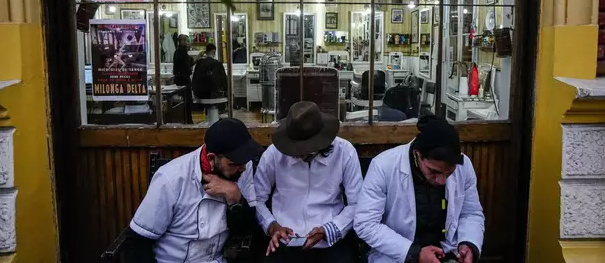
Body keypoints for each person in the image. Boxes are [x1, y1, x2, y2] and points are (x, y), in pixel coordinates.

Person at [123, 119, 262, 263]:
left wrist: (236, 197)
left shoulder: (242, 169)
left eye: (244, 162)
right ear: (212, 158)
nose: (243, 168)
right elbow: (137, 243)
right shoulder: (171, 178)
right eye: (234, 163)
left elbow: (245, 229)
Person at [354, 116, 485, 263]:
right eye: (434, 172)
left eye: (449, 173)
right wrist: (413, 253)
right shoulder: (383, 166)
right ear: (418, 154)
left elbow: (470, 213)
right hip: (398, 255)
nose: (441, 181)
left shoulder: (464, 166)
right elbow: (365, 224)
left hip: (447, 253)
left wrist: (468, 242)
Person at [254, 101, 363, 263]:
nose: (298, 154)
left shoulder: (345, 152)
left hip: (331, 240)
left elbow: (357, 203)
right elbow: (256, 199)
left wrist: (330, 230)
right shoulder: (273, 154)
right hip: (285, 241)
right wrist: (271, 226)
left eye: (304, 150)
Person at [173, 34, 194, 123]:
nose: (186, 42)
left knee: (186, 102)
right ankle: (187, 120)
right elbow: (185, 66)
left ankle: (186, 120)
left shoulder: (181, 51)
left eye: (187, 40)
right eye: (184, 40)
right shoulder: (181, 51)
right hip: (182, 80)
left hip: (182, 78)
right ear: (180, 41)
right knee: (186, 102)